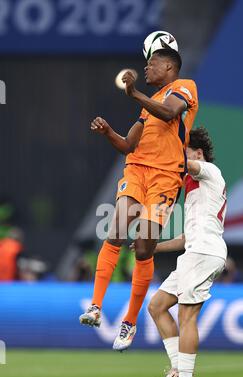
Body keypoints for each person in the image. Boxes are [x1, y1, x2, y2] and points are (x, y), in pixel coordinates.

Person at [79, 49, 198, 352]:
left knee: (144, 246)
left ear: (170, 66)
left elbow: (170, 113)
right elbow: (128, 145)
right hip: (137, 172)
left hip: (166, 178)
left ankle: (129, 321)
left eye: (152, 63)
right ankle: (95, 306)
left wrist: (134, 94)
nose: (146, 68)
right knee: (117, 229)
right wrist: (107, 132)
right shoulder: (147, 109)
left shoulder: (183, 87)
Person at [147, 127, 227, 377]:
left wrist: (160, 148)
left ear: (198, 153)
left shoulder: (208, 171)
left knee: (187, 317)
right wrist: (152, 247)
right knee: (157, 305)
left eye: (183, 149)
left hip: (204, 252)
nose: (180, 155)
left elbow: (182, 164)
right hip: (195, 251)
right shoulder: (195, 191)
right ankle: (177, 369)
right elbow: (184, 239)